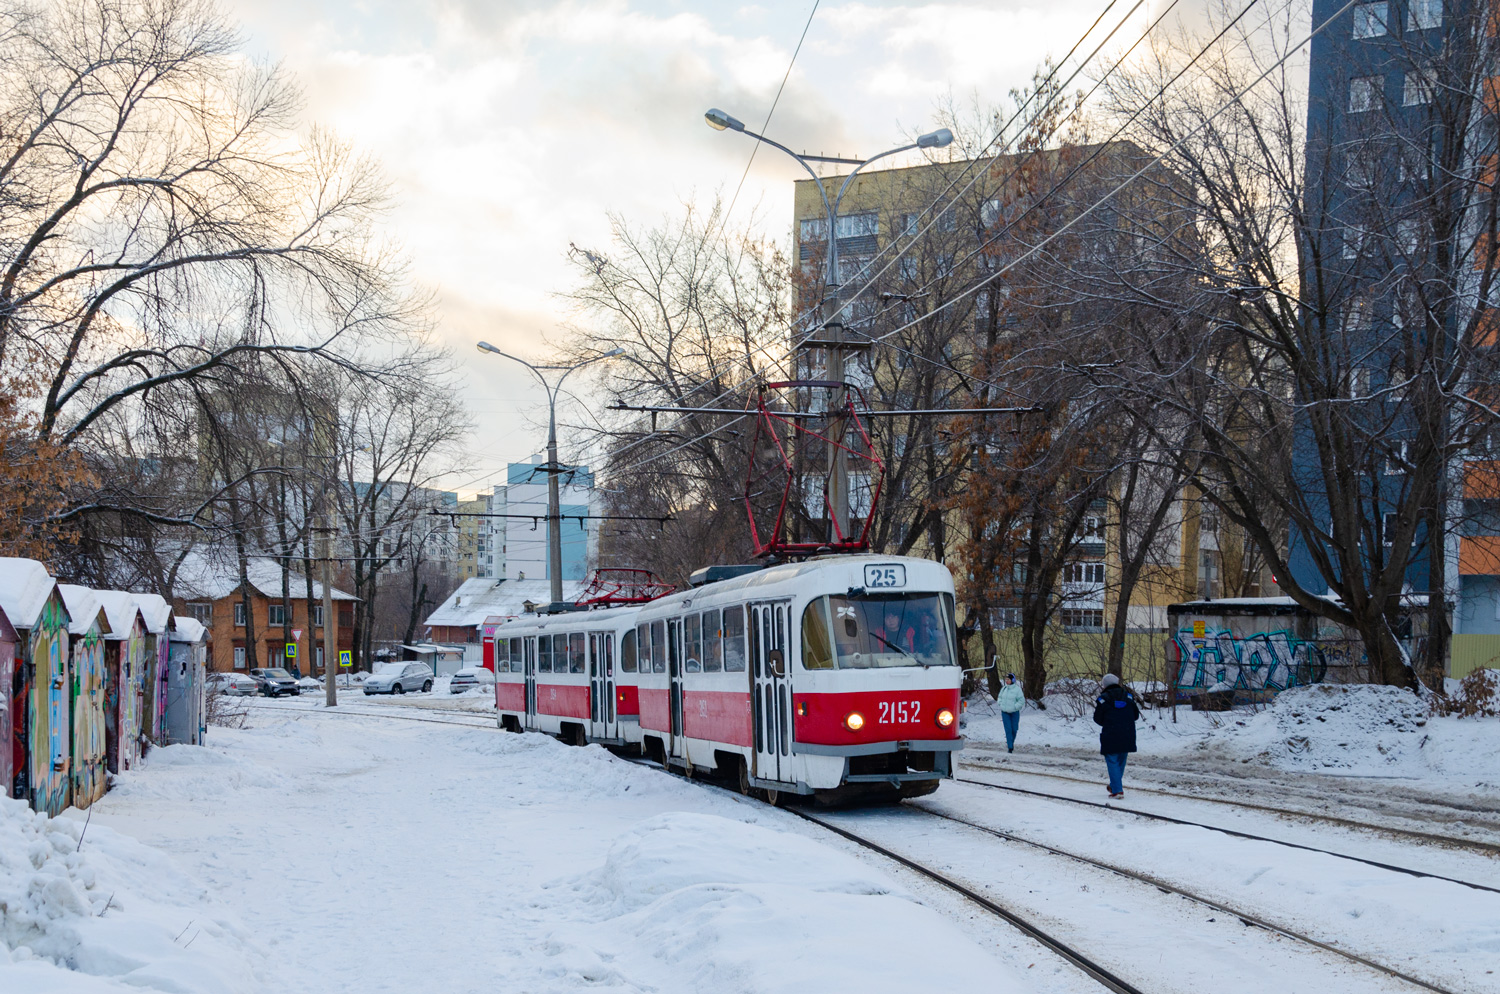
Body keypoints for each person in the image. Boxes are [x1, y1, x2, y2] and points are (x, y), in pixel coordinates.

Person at [1093, 673, 1140, 798]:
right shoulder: (1129, 697)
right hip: (1127, 733)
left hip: (1111, 733)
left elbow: (1097, 718)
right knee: (1121, 760)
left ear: (1104, 685)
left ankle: (1117, 790)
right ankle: (1115, 785)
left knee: (1112, 760)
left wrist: (1109, 722)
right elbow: (1135, 715)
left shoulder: (1103, 699)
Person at [997, 672, 1024, 752]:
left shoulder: (1017, 690)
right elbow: (999, 697)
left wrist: (1015, 707)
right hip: (1005, 713)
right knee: (1008, 729)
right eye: (1006, 679)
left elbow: (1021, 701)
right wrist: (1000, 704)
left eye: (1008, 679)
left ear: (1012, 680)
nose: (1007, 681)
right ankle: (1010, 747)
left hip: (1014, 713)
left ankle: (1011, 742)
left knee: (1014, 729)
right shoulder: (1004, 689)